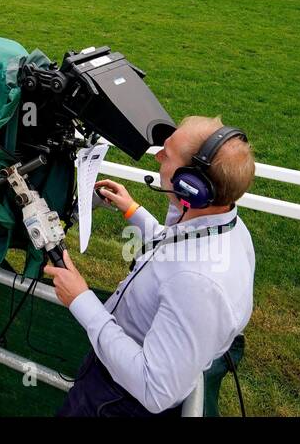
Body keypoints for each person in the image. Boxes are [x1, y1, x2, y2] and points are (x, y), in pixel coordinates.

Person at [45, 117, 256, 416]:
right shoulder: (219, 224)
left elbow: (152, 389)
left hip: (120, 401)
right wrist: (134, 212)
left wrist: (81, 300)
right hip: (114, 381)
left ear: (192, 186)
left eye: (166, 154)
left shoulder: (197, 283)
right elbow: (177, 248)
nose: (157, 156)